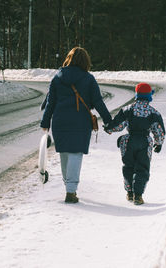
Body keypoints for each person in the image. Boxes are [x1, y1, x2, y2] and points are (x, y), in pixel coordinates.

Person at [40, 47, 112, 203]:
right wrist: (108, 120)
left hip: (60, 122)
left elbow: (50, 103)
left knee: (65, 154)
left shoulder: (57, 78)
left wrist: (45, 123)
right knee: (75, 154)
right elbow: (98, 102)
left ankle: (69, 186)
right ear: (85, 61)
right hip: (80, 122)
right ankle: (70, 191)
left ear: (69, 59)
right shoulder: (89, 79)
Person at [104, 82, 165, 205]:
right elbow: (158, 130)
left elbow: (118, 125)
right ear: (149, 96)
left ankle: (129, 192)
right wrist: (159, 143)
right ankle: (138, 195)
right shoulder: (153, 113)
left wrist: (109, 128)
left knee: (128, 166)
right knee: (142, 168)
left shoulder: (128, 109)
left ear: (136, 95)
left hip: (129, 142)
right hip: (145, 142)